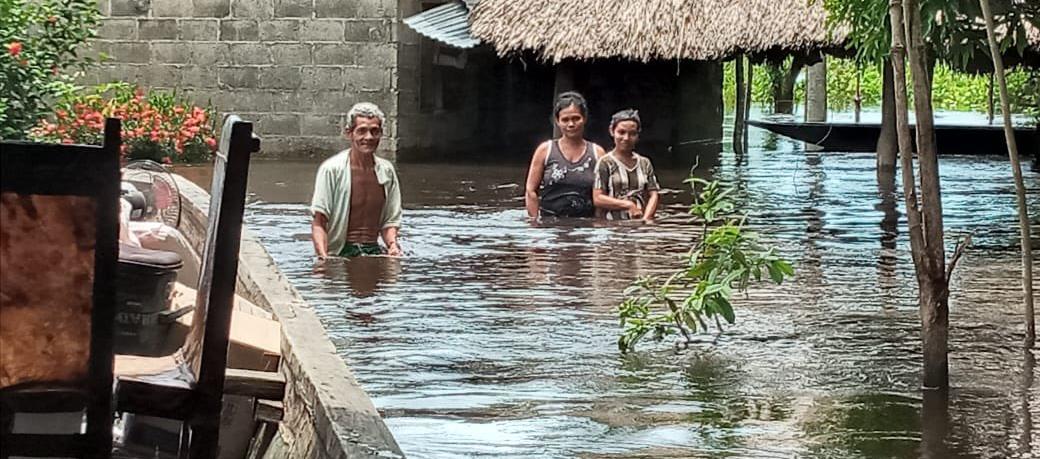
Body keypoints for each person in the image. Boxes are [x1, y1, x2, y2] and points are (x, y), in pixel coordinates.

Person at [311, 102, 403, 259]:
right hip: (341, 251)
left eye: (375, 131)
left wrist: (393, 246)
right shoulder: (332, 170)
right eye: (362, 131)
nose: (368, 137)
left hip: (373, 250)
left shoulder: (386, 171)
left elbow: (390, 221)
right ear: (349, 133)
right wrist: (323, 258)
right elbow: (319, 222)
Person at [524, 91, 606, 218]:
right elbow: (531, 191)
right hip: (550, 224)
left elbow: (603, 195)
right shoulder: (545, 150)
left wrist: (597, 225)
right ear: (557, 121)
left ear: (584, 118)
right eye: (565, 120)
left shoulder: (597, 153)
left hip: (585, 224)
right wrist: (535, 223)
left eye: (576, 118)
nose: (571, 124)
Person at [593, 109, 660, 222]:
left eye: (632, 134)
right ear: (612, 131)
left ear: (638, 135)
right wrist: (628, 205)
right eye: (621, 132)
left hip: (639, 221)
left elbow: (653, 194)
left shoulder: (645, 163)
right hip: (611, 224)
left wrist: (646, 219)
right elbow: (598, 198)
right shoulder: (605, 163)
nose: (626, 138)